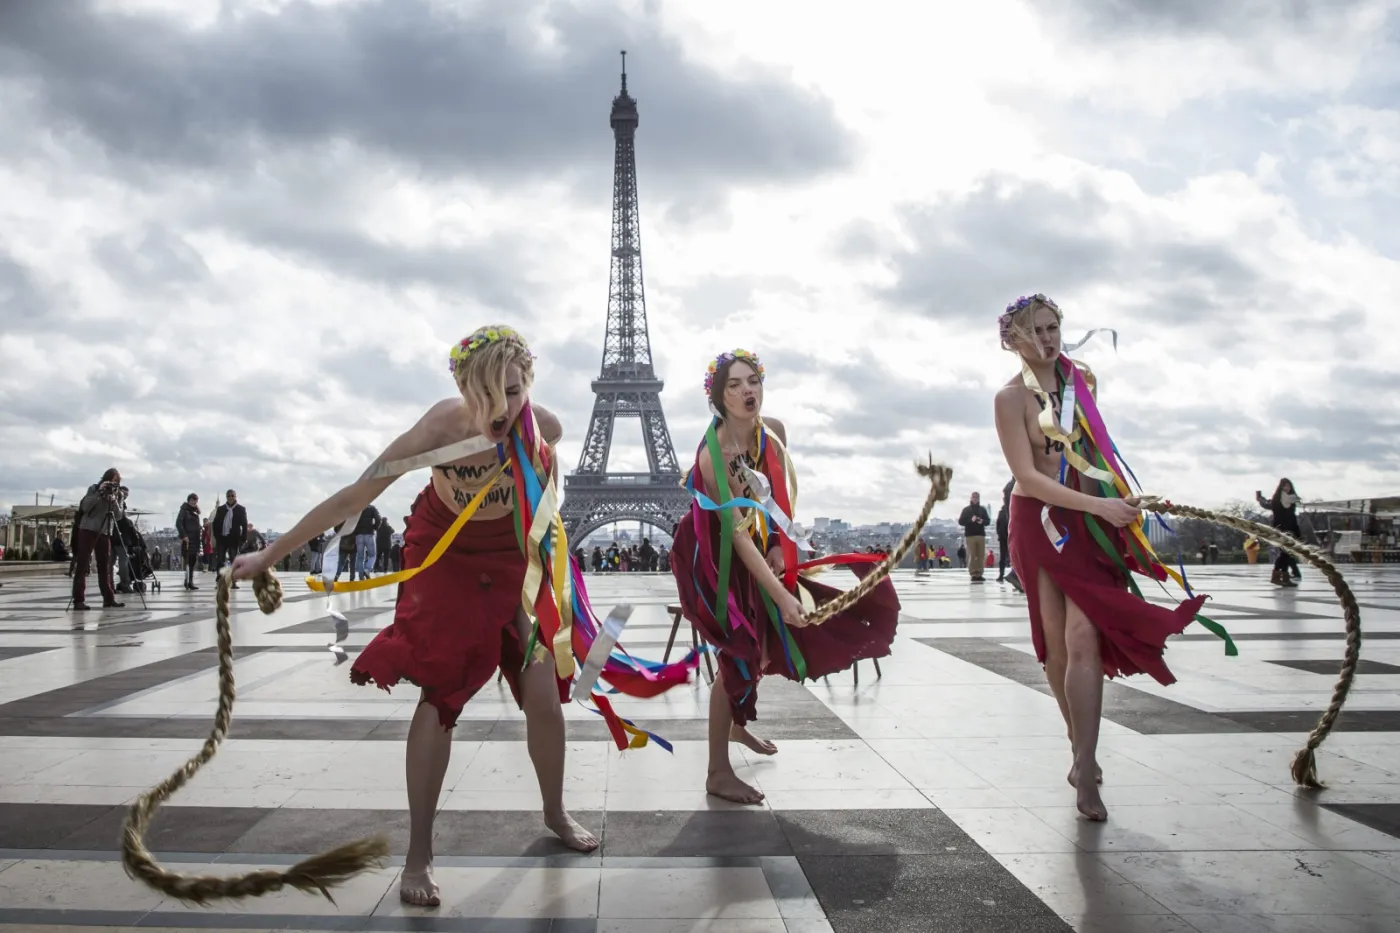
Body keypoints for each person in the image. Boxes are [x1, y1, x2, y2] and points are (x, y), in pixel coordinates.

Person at [230, 325, 692, 907]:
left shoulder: (544, 429)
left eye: (515, 392)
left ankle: (554, 810)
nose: (502, 409)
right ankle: (418, 850)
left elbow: (544, 517)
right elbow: (355, 497)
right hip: (443, 553)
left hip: (511, 555)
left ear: (530, 386)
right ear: (463, 387)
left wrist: (550, 576)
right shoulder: (438, 427)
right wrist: (271, 554)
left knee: (545, 693)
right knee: (441, 694)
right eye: (488, 396)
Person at [993, 294, 1212, 822]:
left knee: (1083, 635)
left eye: (1053, 327)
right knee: (1056, 646)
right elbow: (1028, 477)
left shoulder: (1081, 382)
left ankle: (1086, 766)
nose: (1047, 339)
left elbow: (1095, 455)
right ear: (1012, 340)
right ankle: (1077, 746)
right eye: (1035, 331)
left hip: (1087, 521)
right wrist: (1100, 504)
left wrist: (1119, 500)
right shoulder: (1009, 400)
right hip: (1040, 522)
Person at [670, 349, 900, 805]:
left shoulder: (771, 433)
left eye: (752, 379)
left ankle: (736, 727)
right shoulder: (713, 454)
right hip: (712, 554)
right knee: (738, 648)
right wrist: (781, 592)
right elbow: (733, 536)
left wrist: (778, 542)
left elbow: (778, 496)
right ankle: (717, 771)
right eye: (733, 384)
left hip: (754, 544)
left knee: (761, 642)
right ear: (717, 397)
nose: (746, 390)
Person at [71, 468, 126, 610]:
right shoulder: (94, 489)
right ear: (104, 480)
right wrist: (99, 493)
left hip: (105, 531)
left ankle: (108, 598)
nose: (112, 485)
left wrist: (113, 501)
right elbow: (85, 506)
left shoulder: (118, 494)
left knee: (105, 565)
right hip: (88, 529)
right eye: (110, 481)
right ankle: (78, 600)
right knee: (83, 563)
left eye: (116, 482)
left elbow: (119, 516)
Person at [1256, 480, 1302, 587]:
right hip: (1280, 529)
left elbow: (1292, 517)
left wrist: (1297, 532)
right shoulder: (1277, 500)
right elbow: (1266, 504)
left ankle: (1283, 578)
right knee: (1286, 554)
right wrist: (1260, 498)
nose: (1287, 488)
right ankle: (1277, 576)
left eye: (1288, 486)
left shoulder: (1292, 500)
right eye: (1285, 486)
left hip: (1291, 529)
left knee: (1287, 554)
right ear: (1281, 487)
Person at [212, 490, 247, 580]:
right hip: (222, 538)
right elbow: (215, 524)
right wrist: (217, 536)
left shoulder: (241, 509)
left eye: (232, 496)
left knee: (234, 560)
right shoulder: (221, 509)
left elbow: (244, 525)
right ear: (226, 497)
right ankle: (220, 578)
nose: (230, 497)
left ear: (235, 496)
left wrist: (243, 538)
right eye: (229, 496)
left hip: (234, 538)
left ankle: (233, 579)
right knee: (220, 559)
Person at [176, 494, 202, 590]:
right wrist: (183, 535)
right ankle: (187, 581)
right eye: (191, 500)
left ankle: (190, 580)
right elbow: (178, 523)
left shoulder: (195, 512)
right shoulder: (184, 510)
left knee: (193, 561)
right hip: (187, 539)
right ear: (188, 501)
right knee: (187, 560)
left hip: (195, 539)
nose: (193, 502)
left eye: (195, 501)